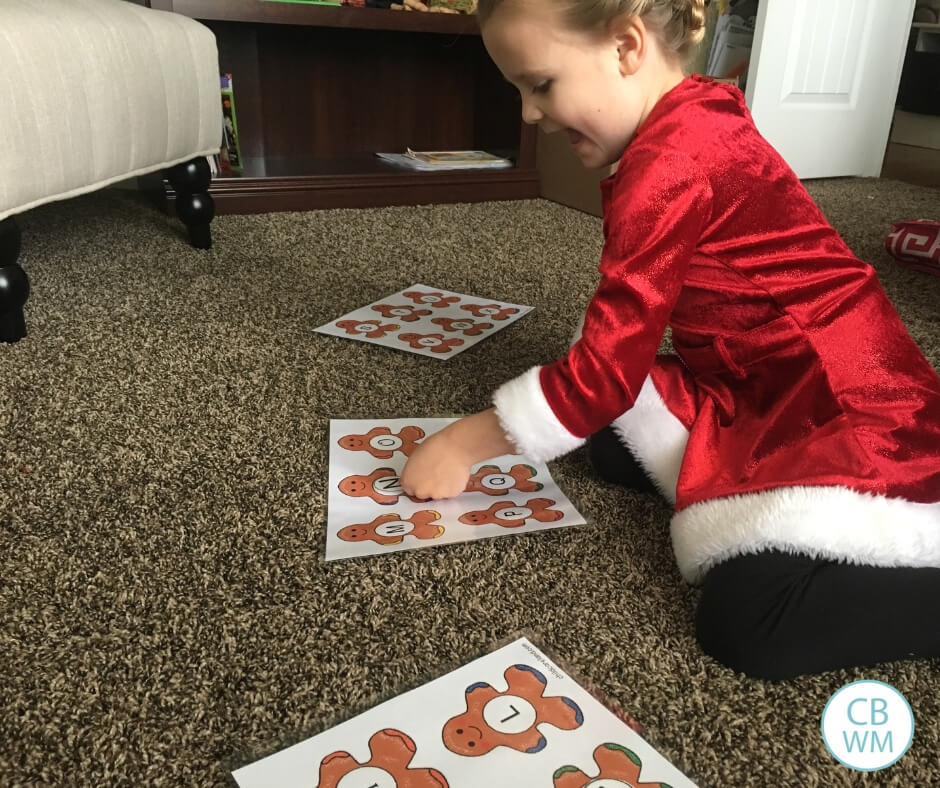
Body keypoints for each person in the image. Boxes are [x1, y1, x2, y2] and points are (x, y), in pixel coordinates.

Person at [399, 0, 940, 680]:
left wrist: (467, 443)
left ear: (627, 47)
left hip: (847, 404)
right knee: (616, 451)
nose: (531, 113)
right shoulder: (694, 113)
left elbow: (605, 374)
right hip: (755, 377)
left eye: (540, 84)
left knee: (747, 624)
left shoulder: (671, 163)